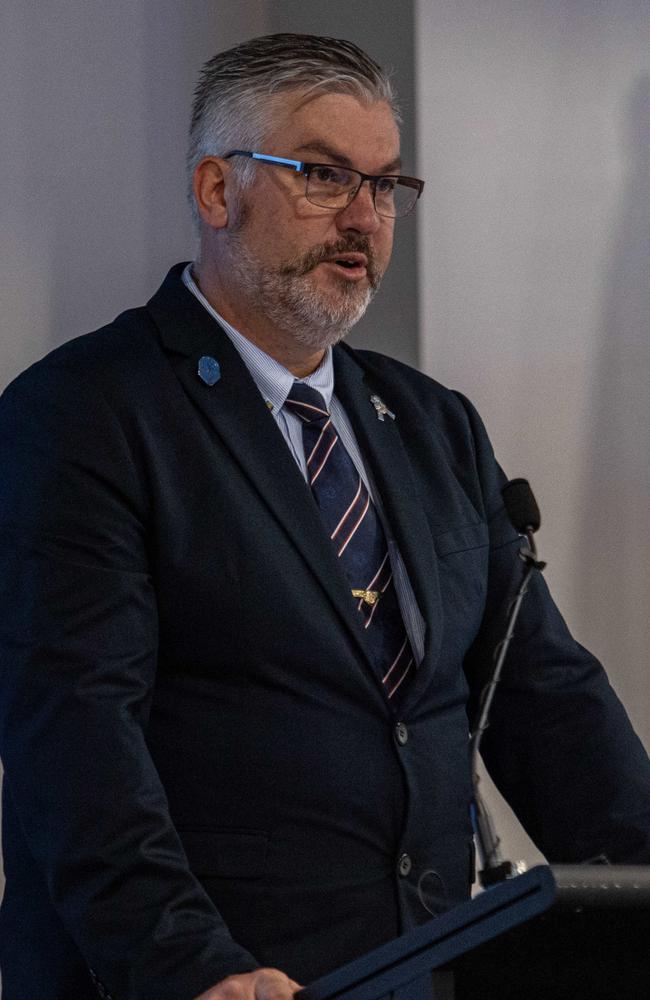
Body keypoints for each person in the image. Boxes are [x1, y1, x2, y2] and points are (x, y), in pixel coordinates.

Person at [0, 32, 649, 1000]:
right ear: (218, 191)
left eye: (386, 186)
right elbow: (77, 734)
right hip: (216, 977)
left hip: (421, 965)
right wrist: (189, 965)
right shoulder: (87, 413)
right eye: (321, 174)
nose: (362, 217)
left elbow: (543, 699)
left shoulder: (433, 423)